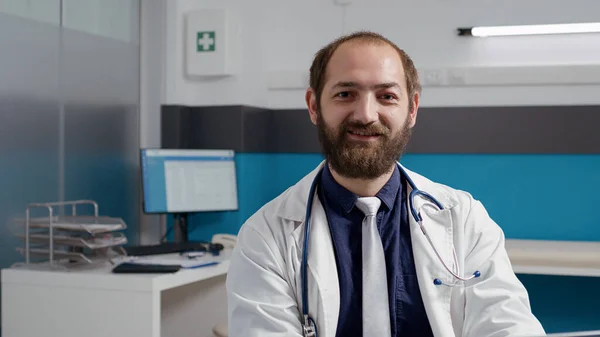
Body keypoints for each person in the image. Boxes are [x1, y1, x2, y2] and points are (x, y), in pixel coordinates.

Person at [225, 31, 546, 337]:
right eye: (345, 94)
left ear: (412, 109)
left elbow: (508, 326)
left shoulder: (464, 220)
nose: (366, 114)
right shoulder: (265, 237)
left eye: (387, 96)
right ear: (313, 106)